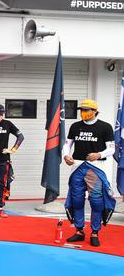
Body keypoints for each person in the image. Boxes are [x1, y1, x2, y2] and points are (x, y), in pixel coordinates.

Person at [63, 99, 116, 247]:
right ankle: (79, 231)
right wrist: (66, 155)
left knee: (96, 201)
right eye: (81, 110)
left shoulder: (105, 127)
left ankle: (95, 232)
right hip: (77, 167)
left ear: (94, 111)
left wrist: (98, 154)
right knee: (77, 200)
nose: (83, 113)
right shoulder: (75, 126)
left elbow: (111, 148)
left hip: (96, 167)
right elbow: (67, 144)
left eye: (86, 110)